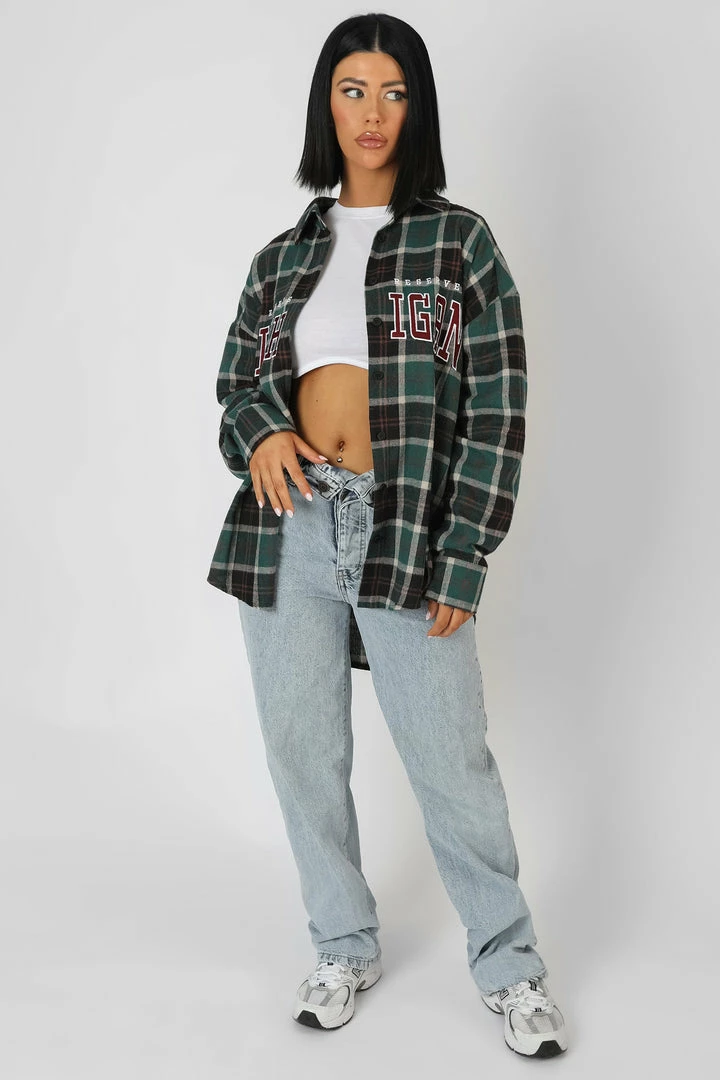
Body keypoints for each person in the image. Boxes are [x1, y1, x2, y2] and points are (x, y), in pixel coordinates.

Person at [207, 12, 568, 1058]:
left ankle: (510, 963)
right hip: (287, 525)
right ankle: (342, 943)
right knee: (302, 751)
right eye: (353, 90)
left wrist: (466, 550)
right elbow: (235, 382)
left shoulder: (459, 242)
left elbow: (498, 406)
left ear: (419, 108)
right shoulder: (284, 256)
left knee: (451, 758)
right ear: (327, 105)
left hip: (406, 523)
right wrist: (263, 430)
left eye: (394, 92)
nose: (373, 113)